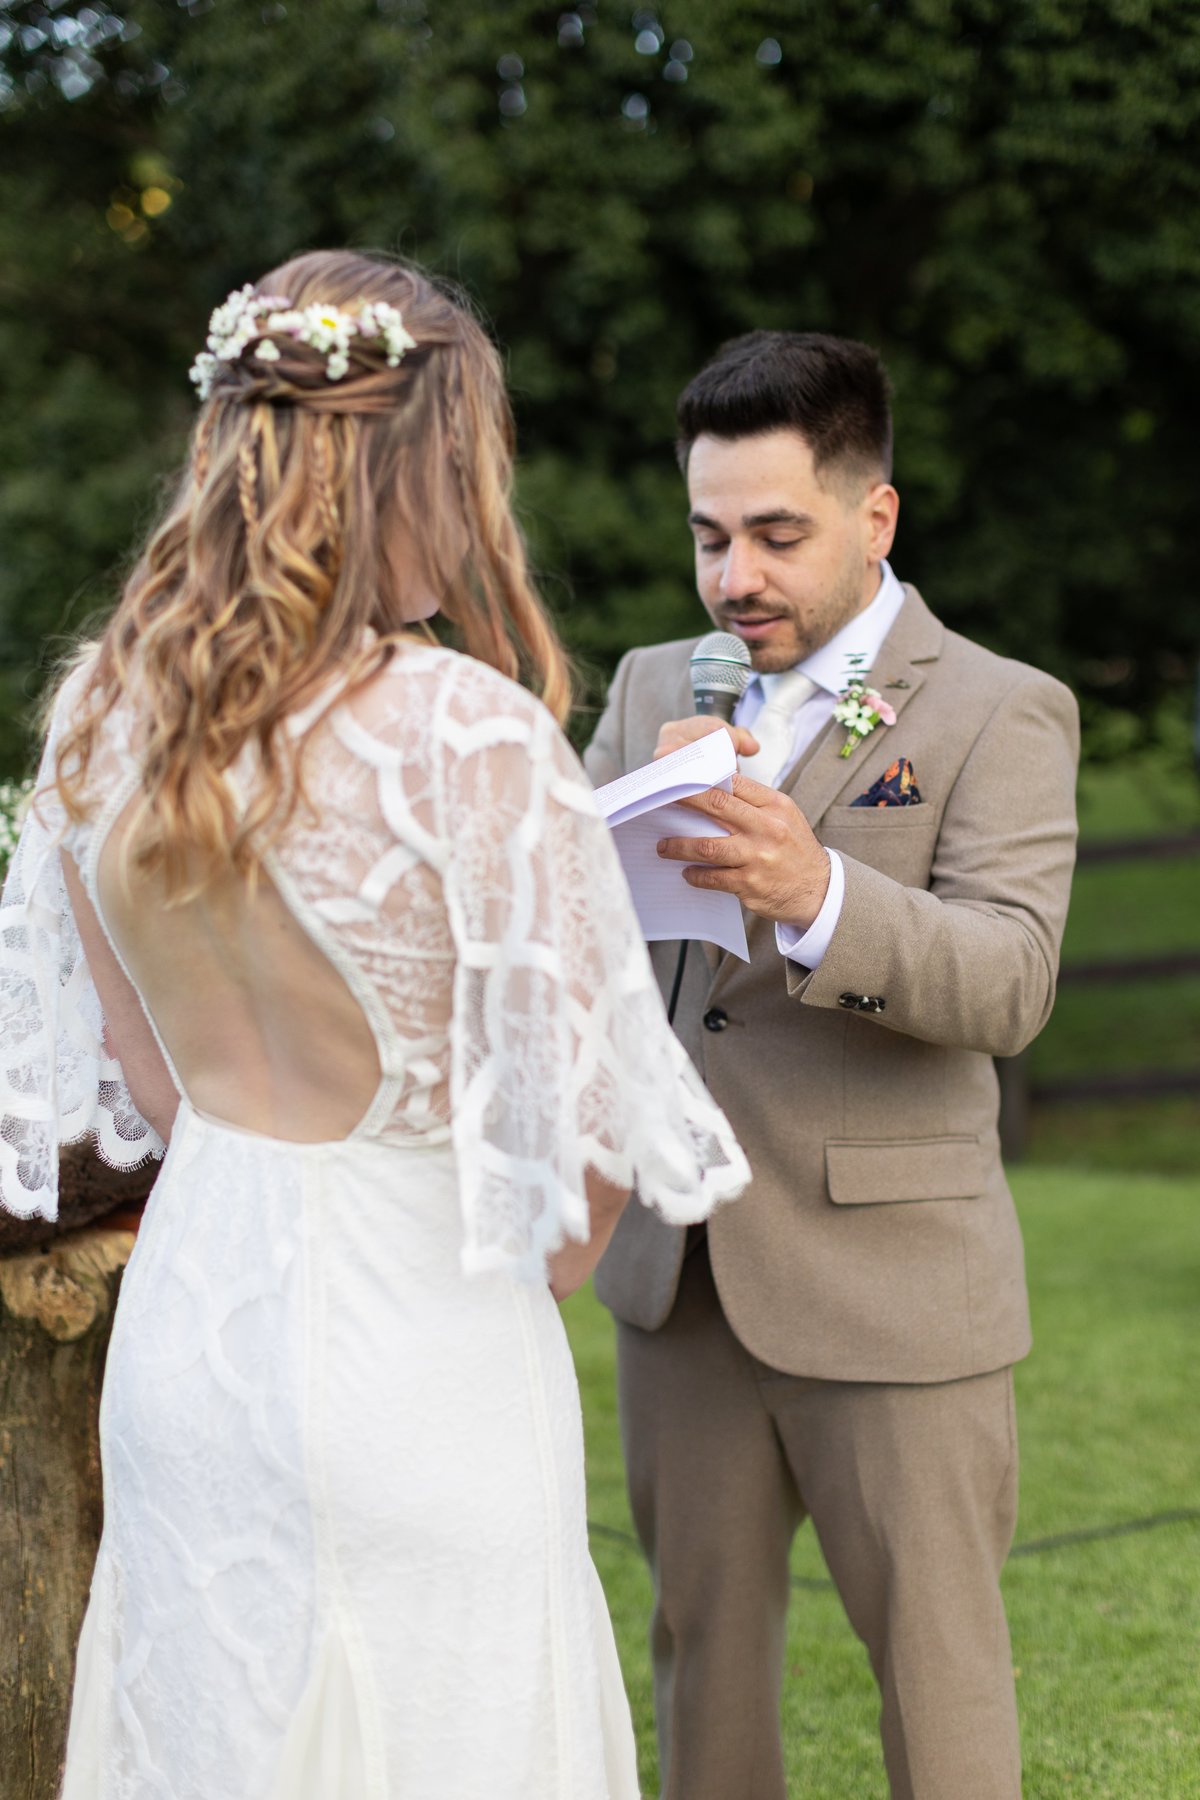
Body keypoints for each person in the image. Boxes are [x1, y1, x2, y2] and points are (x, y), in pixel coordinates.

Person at [0, 251, 749, 1799]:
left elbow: (146, 1076)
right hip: (424, 1347)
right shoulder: (466, 734)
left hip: (192, 1330)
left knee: (204, 1725)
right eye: (474, 467)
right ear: (418, 466)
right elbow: (577, 1176)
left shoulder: (102, 720)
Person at [584, 330, 1080, 1800]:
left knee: (938, 1675)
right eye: (709, 536)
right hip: (682, 1271)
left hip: (893, 1277)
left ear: (876, 515)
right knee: (700, 1662)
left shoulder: (997, 705)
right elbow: (570, 926)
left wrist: (818, 896)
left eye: (776, 535)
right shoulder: (652, 684)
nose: (734, 576)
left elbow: (1013, 980)